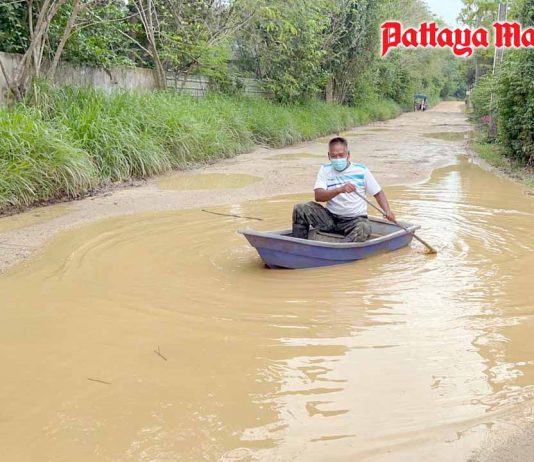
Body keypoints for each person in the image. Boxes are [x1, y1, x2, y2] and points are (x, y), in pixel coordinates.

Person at [292, 137, 396, 242]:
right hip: (331, 219)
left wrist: (387, 211)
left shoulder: (361, 170)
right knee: (300, 208)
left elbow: (378, 193)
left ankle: (342, 247)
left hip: (355, 220)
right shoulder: (325, 169)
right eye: (334, 156)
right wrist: (339, 190)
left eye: (341, 155)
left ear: (348, 155)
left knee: (364, 228)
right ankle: (299, 244)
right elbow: (318, 196)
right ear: (329, 156)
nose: (338, 159)